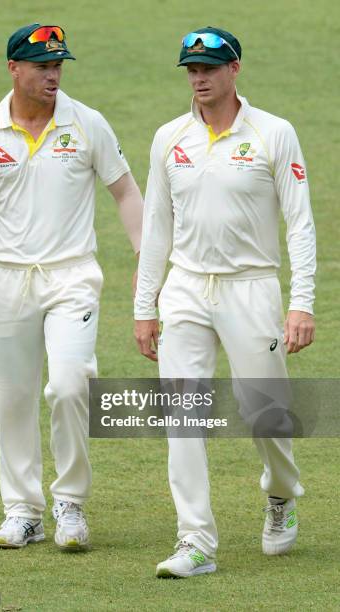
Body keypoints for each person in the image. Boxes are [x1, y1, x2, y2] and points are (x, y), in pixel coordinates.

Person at [0, 23, 143, 551]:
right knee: (13, 399)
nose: (53, 74)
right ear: (14, 68)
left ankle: (70, 504)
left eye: (58, 65)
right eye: (42, 66)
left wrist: (148, 262)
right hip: (8, 282)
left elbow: (125, 193)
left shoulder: (87, 124)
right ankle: (23, 512)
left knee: (71, 385)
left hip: (73, 277)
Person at [134, 26, 316, 578]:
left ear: (234, 70)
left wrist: (301, 301)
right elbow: (156, 227)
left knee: (265, 414)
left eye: (209, 69)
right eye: (191, 70)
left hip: (251, 287)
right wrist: (146, 306)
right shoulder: (169, 137)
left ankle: (281, 494)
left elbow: (300, 223)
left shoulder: (273, 133)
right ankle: (195, 542)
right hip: (186, 289)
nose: (199, 79)